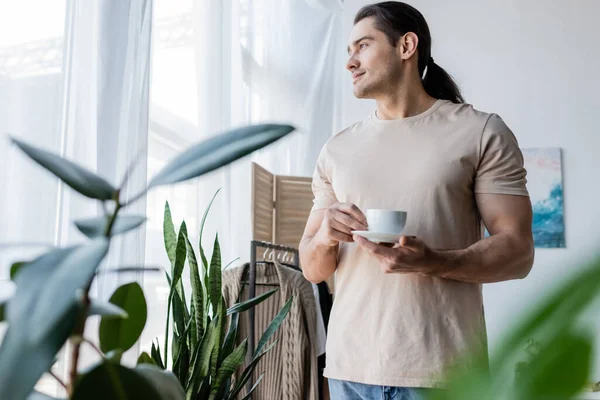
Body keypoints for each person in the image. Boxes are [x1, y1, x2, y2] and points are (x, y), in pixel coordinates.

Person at [299, 2, 535, 399]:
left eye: (362, 46)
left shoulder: (480, 132)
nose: (350, 63)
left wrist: (435, 261)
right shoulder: (336, 149)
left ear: (406, 45)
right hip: (349, 371)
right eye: (348, 51)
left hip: (445, 374)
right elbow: (312, 268)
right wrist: (324, 236)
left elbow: (518, 251)